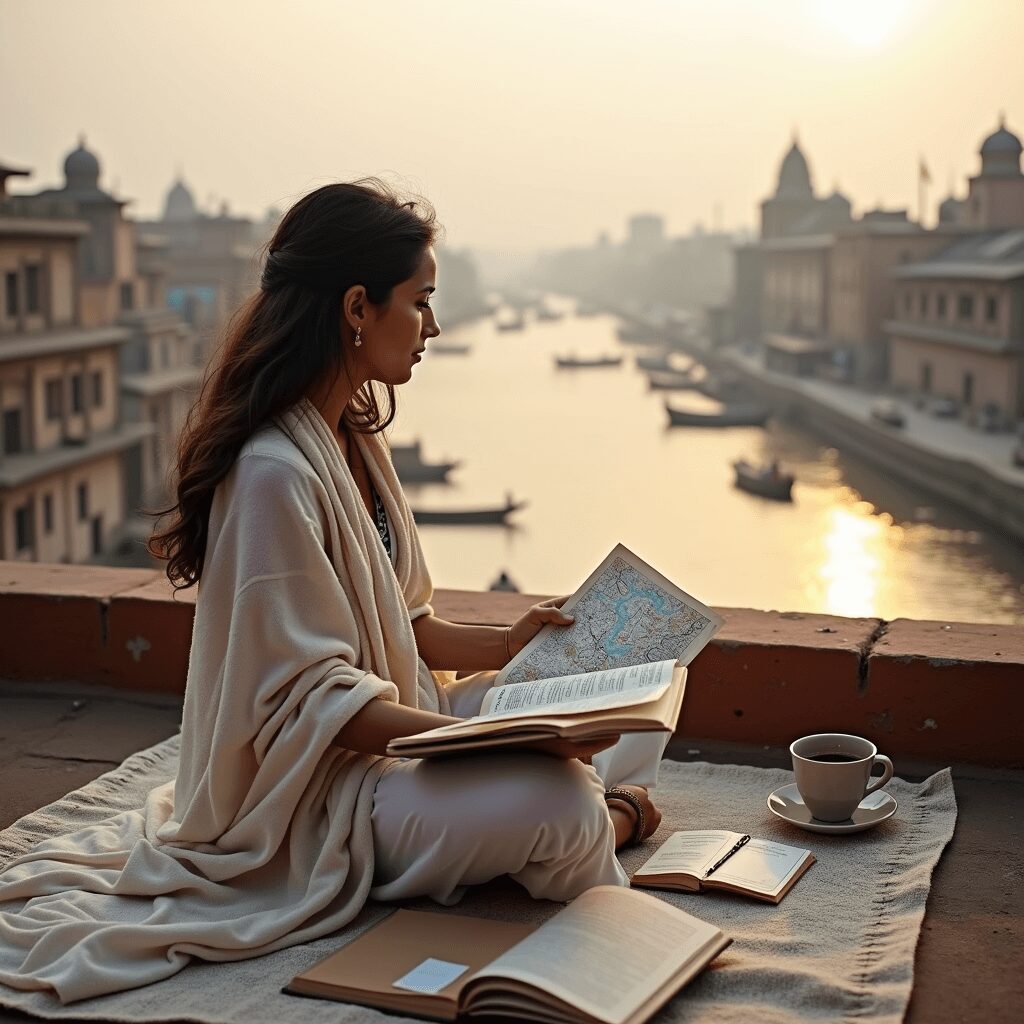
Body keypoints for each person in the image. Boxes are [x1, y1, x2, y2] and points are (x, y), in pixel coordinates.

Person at [0, 180, 663, 1004]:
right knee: (558, 796)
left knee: (645, 676)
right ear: (358, 307)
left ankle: (583, 816)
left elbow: (407, 619)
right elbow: (325, 708)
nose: (434, 327)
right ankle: (607, 845)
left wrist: (509, 645)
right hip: (321, 793)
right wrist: (502, 744)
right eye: (420, 303)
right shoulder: (275, 475)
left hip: (397, 723)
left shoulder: (347, 432)